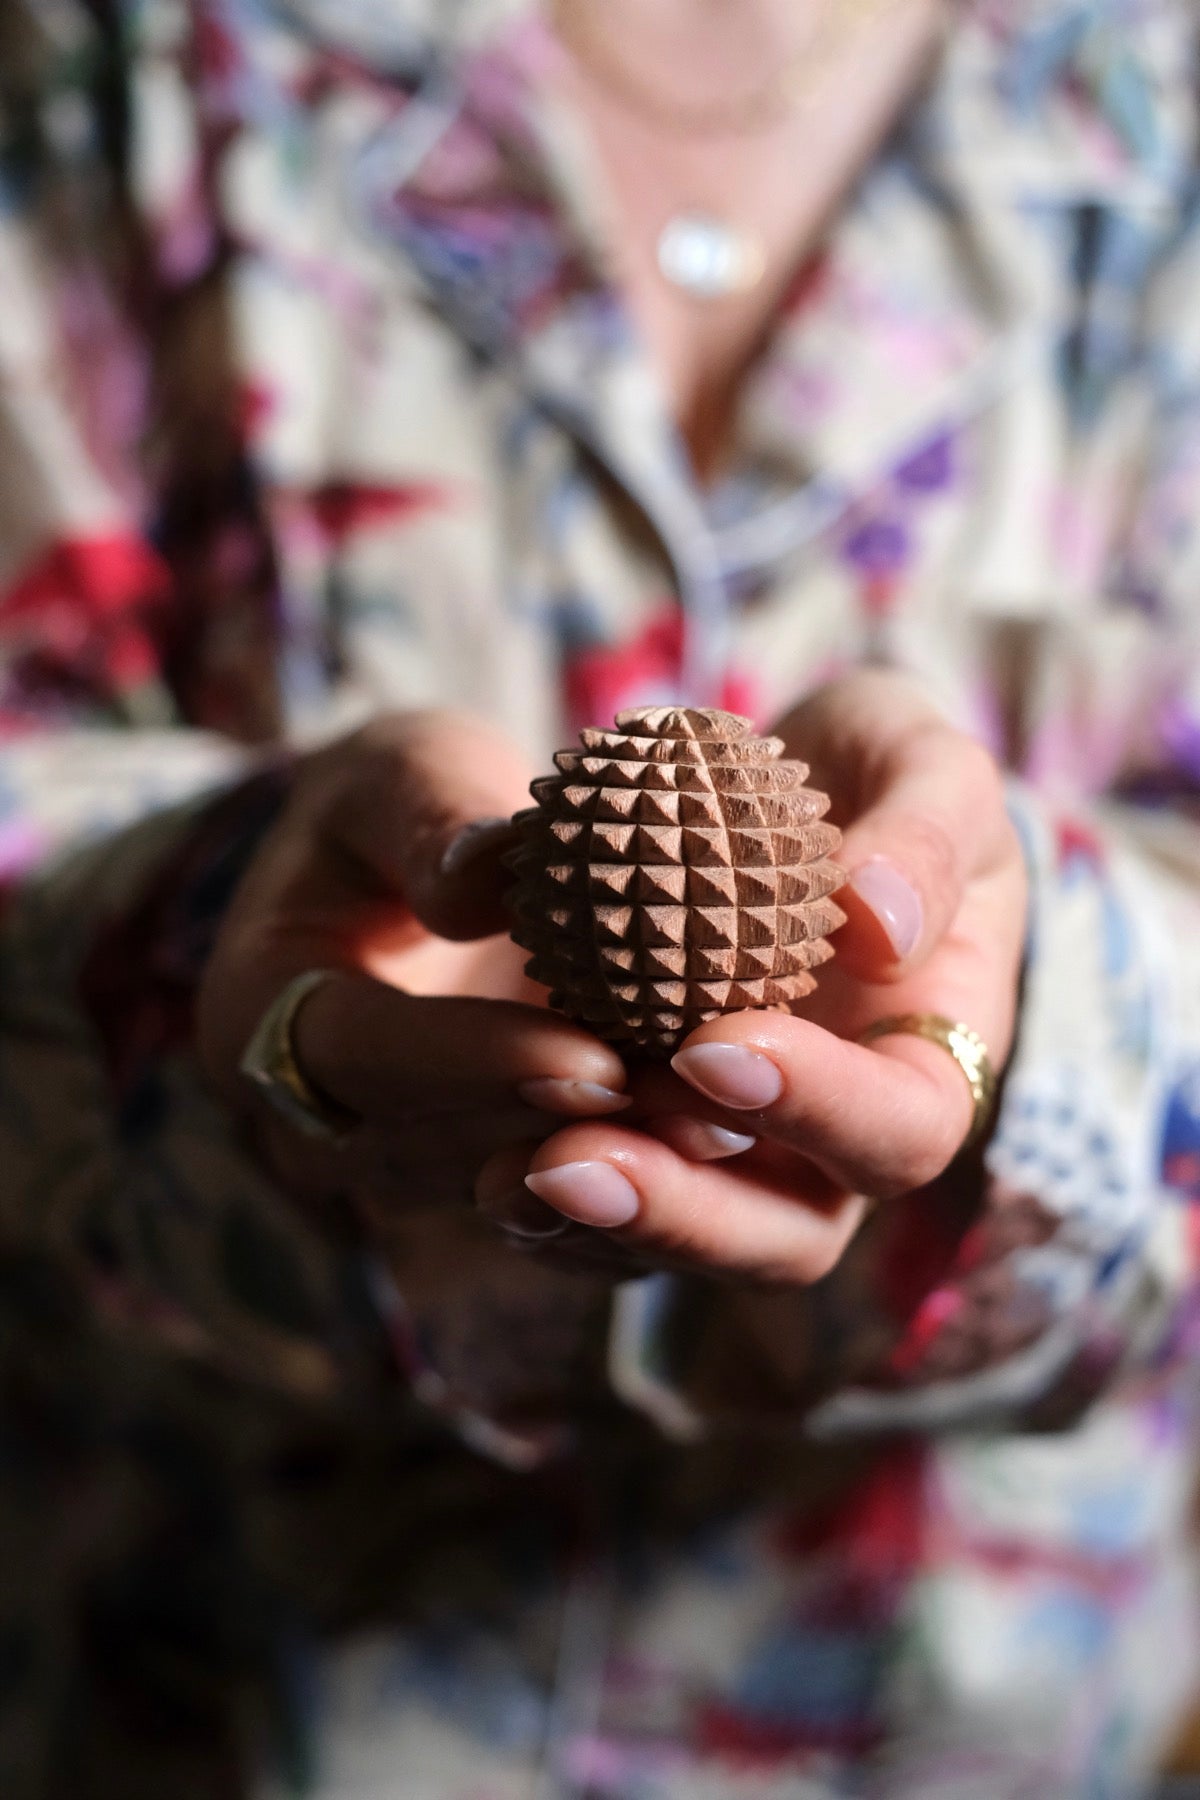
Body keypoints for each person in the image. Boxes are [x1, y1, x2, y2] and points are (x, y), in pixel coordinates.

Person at [1, 0, 1198, 1794]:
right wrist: (203, 925)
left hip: (957, 1726)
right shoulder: (135, 55)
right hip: (196, 1698)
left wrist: (1038, 1029)